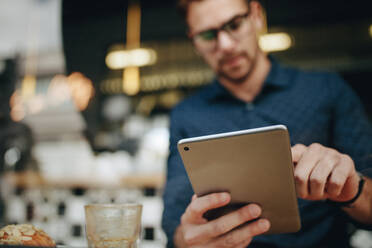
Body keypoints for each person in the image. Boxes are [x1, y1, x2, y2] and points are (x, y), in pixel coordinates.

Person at [161, 0, 372, 247]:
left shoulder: (327, 89)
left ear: (257, 16)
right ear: (194, 41)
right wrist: (189, 240)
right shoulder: (187, 114)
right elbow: (174, 224)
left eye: (234, 24)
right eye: (207, 35)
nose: (226, 45)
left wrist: (351, 188)